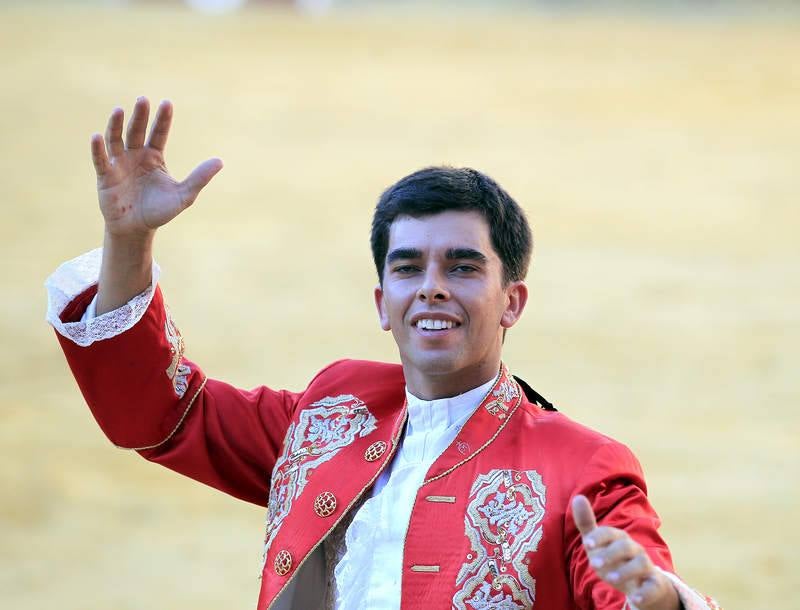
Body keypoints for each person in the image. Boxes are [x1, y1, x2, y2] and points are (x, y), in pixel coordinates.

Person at [46, 97, 721, 610]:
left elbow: (633, 582)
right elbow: (162, 414)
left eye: (461, 267)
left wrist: (659, 598)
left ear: (512, 302)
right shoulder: (332, 413)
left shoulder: (582, 466)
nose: (431, 288)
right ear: (380, 303)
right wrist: (127, 242)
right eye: (408, 268)